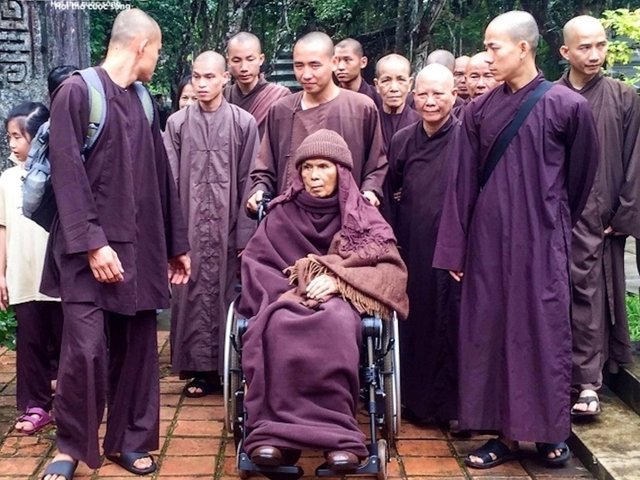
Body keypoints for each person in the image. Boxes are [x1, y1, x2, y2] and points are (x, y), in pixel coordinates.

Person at [432, 10, 599, 469]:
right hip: (487, 245)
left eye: (494, 47)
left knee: (543, 333)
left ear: (523, 48)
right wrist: (457, 249)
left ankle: (549, 432)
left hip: (542, 242)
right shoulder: (479, 111)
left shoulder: (567, 106)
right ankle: (502, 434)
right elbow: (461, 183)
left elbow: (581, 177)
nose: (487, 57)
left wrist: (552, 222)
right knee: (490, 334)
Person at [40, 8, 190, 480]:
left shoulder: (143, 100)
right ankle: (70, 447)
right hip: (86, 252)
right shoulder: (77, 92)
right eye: (158, 50)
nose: (157, 59)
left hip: (139, 248)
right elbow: (67, 174)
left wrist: (175, 243)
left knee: (138, 349)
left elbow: (161, 177)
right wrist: (92, 243)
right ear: (141, 45)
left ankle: (129, 440)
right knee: (84, 350)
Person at [237, 129, 408, 471]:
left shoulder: (363, 216)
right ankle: (275, 435)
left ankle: (337, 435)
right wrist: (295, 290)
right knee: (279, 322)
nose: (314, 176)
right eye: (307, 167)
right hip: (285, 297)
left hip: (341, 301)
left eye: (323, 167)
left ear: (341, 172)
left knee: (337, 321)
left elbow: (391, 269)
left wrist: (338, 281)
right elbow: (257, 264)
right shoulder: (281, 214)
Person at [164, 51, 260, 398]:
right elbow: (169, 182)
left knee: (227, 294)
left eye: (209, 77)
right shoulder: (177, 124)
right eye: (196, 77)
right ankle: (200, 372)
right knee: (188, 293)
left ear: (224, 79)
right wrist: (172, 236)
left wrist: (246, 234)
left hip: (228, 227)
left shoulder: (243, 123)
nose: (202, 84)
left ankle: (230, 367)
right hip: (189, 226)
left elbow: (252, 180)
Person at [558, 15, 640, 417]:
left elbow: (635, 157)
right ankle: (564, 374)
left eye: (601, 45)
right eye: (585, 47)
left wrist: (624, 211)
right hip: (559, 215)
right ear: (565, 51)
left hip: (604, 216)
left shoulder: (624, 96)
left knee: (594, 296)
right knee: (562, 296)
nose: (595, 55)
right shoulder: (551, 97)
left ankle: (589, 381)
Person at [386, 64, 461, 426]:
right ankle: (415, 402)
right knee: (417, 319)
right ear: (413, 96)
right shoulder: (403, 139)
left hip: (453, 246)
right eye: (424, 94)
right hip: (414, 243)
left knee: (452, 322)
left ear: (454, 96)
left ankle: (453, 409)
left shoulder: (466, 137)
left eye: (439, 94)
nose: (430, 102)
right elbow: (391, 188)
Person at [246, 32, 386, 215]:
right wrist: (259, 190)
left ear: (333, 63)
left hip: (346, 215)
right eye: (299, 66)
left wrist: (370, 191)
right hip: (290, 218)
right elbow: (265, 168)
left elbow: (376, 165)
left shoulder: (361, 109)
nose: (306, 74)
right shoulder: (281, 110)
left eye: (314, 65)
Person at [1, 102, 63, 436]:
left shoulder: (60, 174)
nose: (12, 143)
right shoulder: (8, 179)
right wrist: (1, 273)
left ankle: (70, 403)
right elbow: (3, 228)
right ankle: (36, 405)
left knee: (67, 341)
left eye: (18, 136)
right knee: (30, 342)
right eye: (9, 137)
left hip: (57, 275)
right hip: (23, 274)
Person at [224, 32, 291, 139]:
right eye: (236, 61)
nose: (244, 68)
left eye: (250, 59)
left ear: (261, 59)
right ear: (228, 62)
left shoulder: (279, 96)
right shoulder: (223, 97)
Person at [373, 53, 419, 151]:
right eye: (386, 80)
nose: (394, 88)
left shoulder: (421, 124)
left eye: (401, 80)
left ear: (410, 84)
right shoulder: (370, 123)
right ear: (377, 85)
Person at [334, 38, 380, 104]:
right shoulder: (327, 99)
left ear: (363, 62)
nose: (340, 67)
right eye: (336, 61)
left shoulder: (378, 98)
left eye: (347, 60)